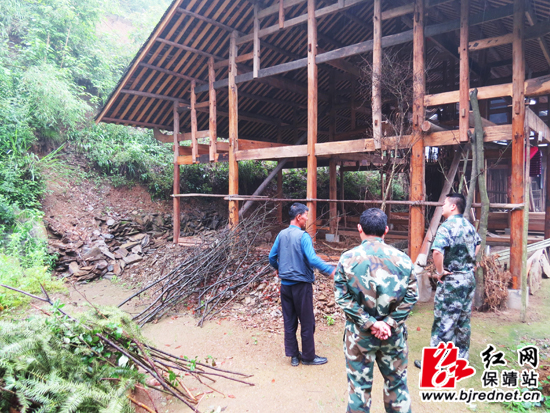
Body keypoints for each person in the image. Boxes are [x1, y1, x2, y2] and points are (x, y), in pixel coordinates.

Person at [334, 208, 417, 413]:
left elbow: (342, 297)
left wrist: (369, 323)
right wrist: (389, 323)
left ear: (359, 228)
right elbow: (412, 296)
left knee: (358, 390)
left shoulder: (347, 259)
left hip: (359, 337)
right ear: (386, 230)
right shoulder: (403, 259)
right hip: (393, 336)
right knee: (397, 386)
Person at [414, 193, 481, 369]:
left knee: (444, 319)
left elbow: (437, 251)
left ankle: (437, 362)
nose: (442, 206)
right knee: (463, 320)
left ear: (453, 206)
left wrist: (440, 271)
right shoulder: (468, 225)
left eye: (444, 203)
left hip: (452, 280)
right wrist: (469, 260)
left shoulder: (447, 227)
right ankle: (461, 359)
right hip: (468, 279)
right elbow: (478, 243)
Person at [269, 202, 335, 367]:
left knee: (289, 321)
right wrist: (330, 270)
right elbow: (312, 259)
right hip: (301, 286)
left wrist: (279, 268)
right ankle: (308, 357)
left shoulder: (281, 234)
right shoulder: (303, 236)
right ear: (298, 217)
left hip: (285, 286)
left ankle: (293, 356)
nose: (307, 219)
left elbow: (271, 257)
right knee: (307, 322)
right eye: (306, 215)